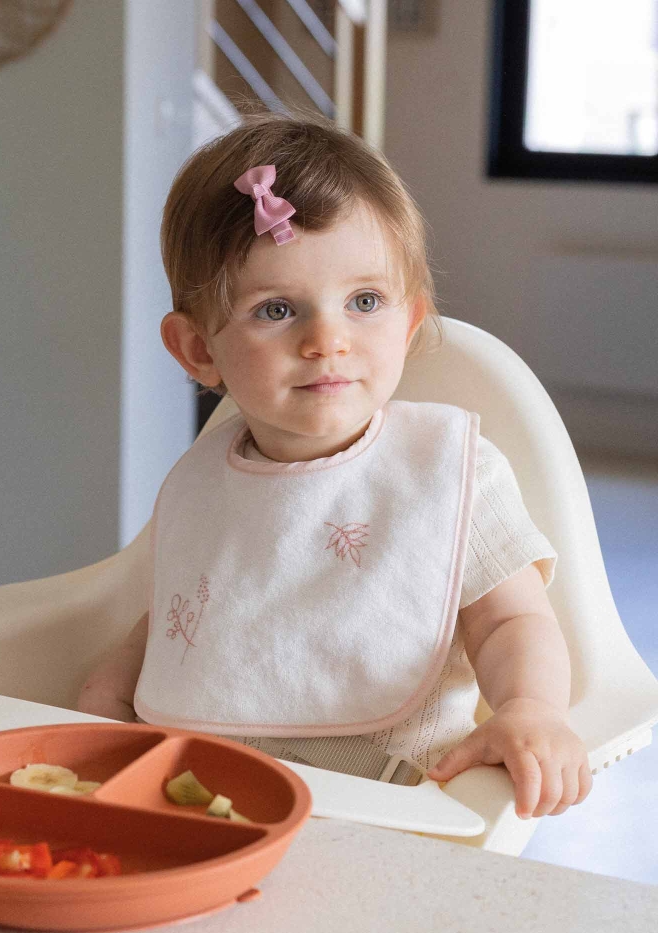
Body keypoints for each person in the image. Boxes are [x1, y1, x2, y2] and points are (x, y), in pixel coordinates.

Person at [76, 110, 591, 820]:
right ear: (198, 351)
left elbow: (511, 623)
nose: (328, 339)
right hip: (198, 801)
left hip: (387, 806)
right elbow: (190, 605)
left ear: (407, 325)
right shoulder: (204, 475)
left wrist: (531, 709)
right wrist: (109, 698)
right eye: (278, 309)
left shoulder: (445, 471)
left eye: (365, 302)